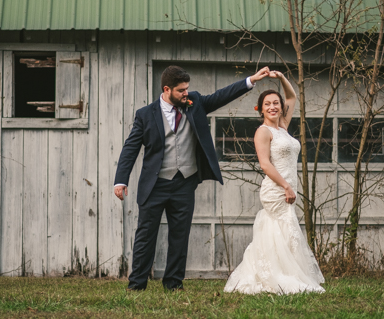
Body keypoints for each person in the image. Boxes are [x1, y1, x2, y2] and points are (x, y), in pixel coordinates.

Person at [114, 65, 271, 291]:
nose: (186, 93)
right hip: (154, 184)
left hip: (184, 182)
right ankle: (137, 285)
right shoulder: (145, 114)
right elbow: (130, 149)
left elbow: (221, 96)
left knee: (180, 235)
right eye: (181, 90)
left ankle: (173, 284)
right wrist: (121, 180)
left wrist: (250, 80)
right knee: (146, 235)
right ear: (167, 89)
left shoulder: (194, 102)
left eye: (187, 88)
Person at [224, 71, 325, 294]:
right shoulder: (263, 131)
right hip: (276, 189)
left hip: (288, 187)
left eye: (276, 103)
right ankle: (279, 277)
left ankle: (284, 272)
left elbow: (292, 97)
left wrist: (280, 78)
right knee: (284, 230)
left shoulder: (283, 127)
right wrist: (286, 186)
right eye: (267, 104)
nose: (273, 107)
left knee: (283, 233)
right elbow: (265, 165)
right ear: (260, 109)